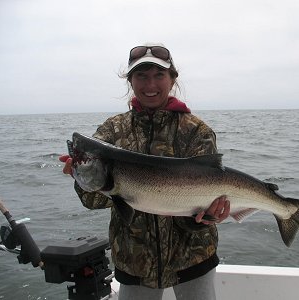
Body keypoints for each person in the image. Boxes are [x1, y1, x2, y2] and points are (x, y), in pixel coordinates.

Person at [59, 43, 230, 300]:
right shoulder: (112, 131)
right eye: (141, 76)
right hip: (134, 262)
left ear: (172, 79)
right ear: (130, 81)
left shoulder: (196, 131)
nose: (150, 84)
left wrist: (208, 215)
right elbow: (93, 201)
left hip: (193, 257)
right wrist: (81, 177)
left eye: (159, 75)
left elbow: (202, 200)